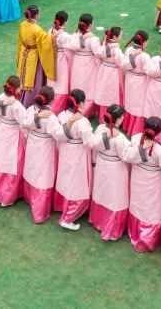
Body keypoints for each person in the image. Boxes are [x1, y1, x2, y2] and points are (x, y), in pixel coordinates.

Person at [121, 116, 161, 252]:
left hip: (138, 177)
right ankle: (146, 239)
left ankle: (134, 233)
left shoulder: (136, 138)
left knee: (138, 203)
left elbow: (128, 157)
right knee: (150, 208)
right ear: (159, 131)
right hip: (153, 182)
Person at [49, 89, 94, 231]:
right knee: (78, 186)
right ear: (80, 103)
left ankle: (62, 207)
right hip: (78, 155)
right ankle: (68, 217)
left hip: (65, 151)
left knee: (66, 179)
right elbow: (89, 142)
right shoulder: (82, 121)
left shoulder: (61, 115)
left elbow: (57, 134)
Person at [87, 104, 130, 240]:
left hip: (101, 165)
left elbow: (94, 145)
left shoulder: (99, 128)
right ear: (118, 119)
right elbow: (126, 156)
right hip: (115, 169)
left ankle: (98, 221)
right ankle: (110, 229)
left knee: (102, 193)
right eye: (122, 117)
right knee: (115, 198)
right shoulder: (120, 138)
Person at [19, 86, 60, 223]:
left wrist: (36, 118)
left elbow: (25, 124)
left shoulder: (31, 109)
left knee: (32, 170)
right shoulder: (51, 117)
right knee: (43, 175)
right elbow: (59, 135)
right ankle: (39, 212)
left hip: (33, 143)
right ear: (52, 100)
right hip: (44, 148)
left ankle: (29, 198)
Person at [0, 76, 27, 207]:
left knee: (0, 159)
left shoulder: (0, 98)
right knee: (12, 163)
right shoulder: (17, 106)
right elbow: (25, 123)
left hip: (0, 131)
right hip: (12, 135)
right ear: (16, 89)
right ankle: (6, 196)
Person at [16, 5, 57, 106]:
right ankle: (28, 101)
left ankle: (19, 95)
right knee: (33, 78)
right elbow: (46, 42)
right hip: (33, 55)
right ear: (36, 15)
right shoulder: (37, 29)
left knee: (22, 75)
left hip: (23, 51)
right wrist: (53, 36)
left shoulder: (22, 25)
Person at [91, 27, 125, 121]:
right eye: (120, 35)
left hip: (104, 70)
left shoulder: (104, 46)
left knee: (103, 92)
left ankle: (101, 115)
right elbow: (121, 62)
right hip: (112, 72)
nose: (121, 37)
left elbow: (97, 53)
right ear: (115, 37)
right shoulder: (116, 50)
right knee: (111, 94)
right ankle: (111, 117)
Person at [67, 13, 100, 106]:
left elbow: (71, 46)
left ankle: (74, 101)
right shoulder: (93, 39)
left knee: (77, 80)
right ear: (90, 24)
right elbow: (97, 52)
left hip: (77, 60)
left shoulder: (74, 35)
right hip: (88, 62)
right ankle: (85, 106)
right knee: (88, 83)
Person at [122, 30, 151, 134]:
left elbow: (125, 64)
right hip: (140, 81)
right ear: (144, 43)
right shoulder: (144, 56)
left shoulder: (128, 50)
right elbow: (149, 71)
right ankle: (135, 129)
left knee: (130, 100)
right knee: (138, 104)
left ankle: (126, 125)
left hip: (130, 78)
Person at [47, 11, 73, 113]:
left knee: (52, 81)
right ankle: (57, 107)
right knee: (61, 82)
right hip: (61, 59)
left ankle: (48, 99)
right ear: (65, 22)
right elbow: (70, 50)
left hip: (51, 58)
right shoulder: (65, 36)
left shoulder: (50, 31)